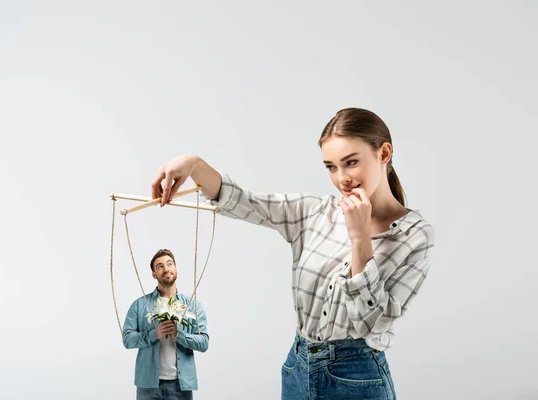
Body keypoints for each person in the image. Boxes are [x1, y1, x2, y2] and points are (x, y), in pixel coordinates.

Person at [151, 107, 435, 399]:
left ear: (384, 153)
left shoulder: (414, 236)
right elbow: (244, 201)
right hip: (298, 367)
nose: (342, 178)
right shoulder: (314, 213)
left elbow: (370, 324)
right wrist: (194, 164)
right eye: (331, 167)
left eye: (351, 163)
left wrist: (360, 237)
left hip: (357, 376)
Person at [122, 249, 209, 400]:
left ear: (175, 269)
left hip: (181, 385)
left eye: (170, 264)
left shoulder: (192, 306)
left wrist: (179, 335)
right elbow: (127, 340)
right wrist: (155, 334)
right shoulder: (139, 305)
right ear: (154, 274)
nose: (166, 268)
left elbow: (204, 343)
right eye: (160, 266)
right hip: (148, 385)